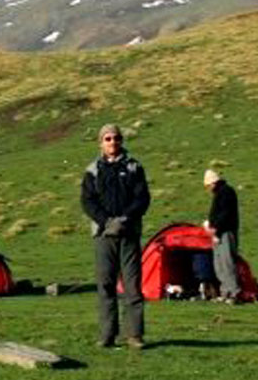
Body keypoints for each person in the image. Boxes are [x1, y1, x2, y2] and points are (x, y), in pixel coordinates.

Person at [81, 124, 150, 349]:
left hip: (129, 233)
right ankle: (107, 334)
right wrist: (106, 222)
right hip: (103, 235)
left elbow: (142, 198)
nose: (113, 142)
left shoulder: (134, 167)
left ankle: (134, 335)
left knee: (132, 286)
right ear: (101, 142)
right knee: (106, 285)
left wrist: (124, 220)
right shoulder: (92, 170)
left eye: (116, 138)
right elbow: (88, 201)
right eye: (108, 139)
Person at [203, 169, 240, 303]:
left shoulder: (226, 192)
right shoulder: (220, 193)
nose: (207, 189)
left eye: (207, 186)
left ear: (213, 183)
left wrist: (215, 228)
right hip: (218, 233)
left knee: (227, 262)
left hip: (225, 232)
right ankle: (225, 292)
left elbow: (225, 214)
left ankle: (233, 293)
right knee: (219, 263)